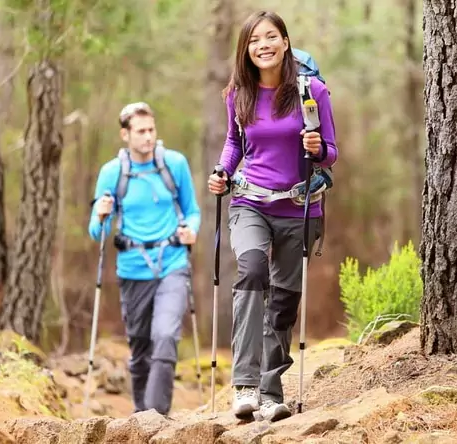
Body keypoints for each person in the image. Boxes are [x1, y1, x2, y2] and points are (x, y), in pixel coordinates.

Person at [207, 10, 338, 422]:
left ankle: (270, 390)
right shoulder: (237, 93)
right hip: (250, 202)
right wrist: (222, 171)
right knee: (250, 270)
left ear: (284, 42)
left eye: (270, 37)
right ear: (246, 49)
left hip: (299, 208)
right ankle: (244, 384)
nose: (263, 45)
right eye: (254, 40)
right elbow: (234, 143)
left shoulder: (310, 91)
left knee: (282, 300)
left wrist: (316, 148)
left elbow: (330, 152)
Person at [88, 102, 202, 416]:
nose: (148, 137)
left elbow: (192, 210)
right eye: (140, 131)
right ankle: (141, 416)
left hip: (172, 262)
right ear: (125, 135)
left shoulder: (174, 164)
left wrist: (190, 230)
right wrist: (101, 215)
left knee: (165, 336)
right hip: (132, 269)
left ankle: (157, 416)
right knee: (140, 348)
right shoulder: (112, 173)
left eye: (151, 129)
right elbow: (97, 233)